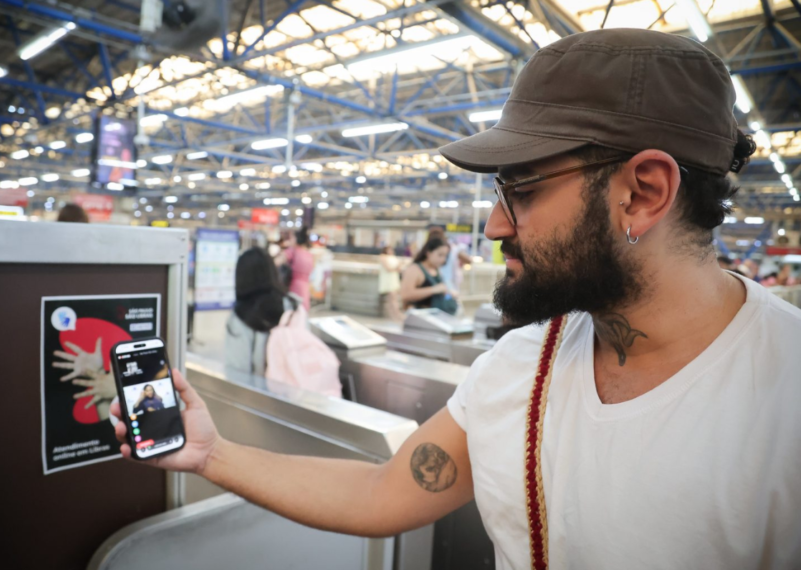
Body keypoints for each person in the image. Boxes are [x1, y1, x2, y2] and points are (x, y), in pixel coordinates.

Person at [111, 29, 801, 569]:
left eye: (522, 189)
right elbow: (387, 490)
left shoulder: (784, 400)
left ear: (642, 192)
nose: (497, 226)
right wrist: (210, 454)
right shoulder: (519, 367)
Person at [224, 247, 299, 377]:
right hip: (296, 390)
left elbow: (237, 373)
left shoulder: (242, 317)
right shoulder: (294, 307)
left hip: (259, 394)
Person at [400, 237, 458, 315]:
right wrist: (433, 290)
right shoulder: (414, 269)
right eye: (440, 255)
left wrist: (448, 293)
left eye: (445, 256)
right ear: (428, 253)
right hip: (420, 318)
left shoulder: (436, 269)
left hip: (438, 317)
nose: (443, 259)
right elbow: (405, 294)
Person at [285, 228, 313, 310]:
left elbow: (274, 263)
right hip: (305, 288)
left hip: (293, 286)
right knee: (302, 311)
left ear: (296, 239)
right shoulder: (309, 254)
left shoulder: (292, 251)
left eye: (291, 237)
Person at [378, 246, 404, 322]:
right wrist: (396, 267)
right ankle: (396, 314)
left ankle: (394, 315)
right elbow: (388, 268)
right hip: (388, 280)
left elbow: (398, 269)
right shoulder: (383, 257)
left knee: (392, 299)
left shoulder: (393, 257)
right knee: (392, 299)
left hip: (393, 279)